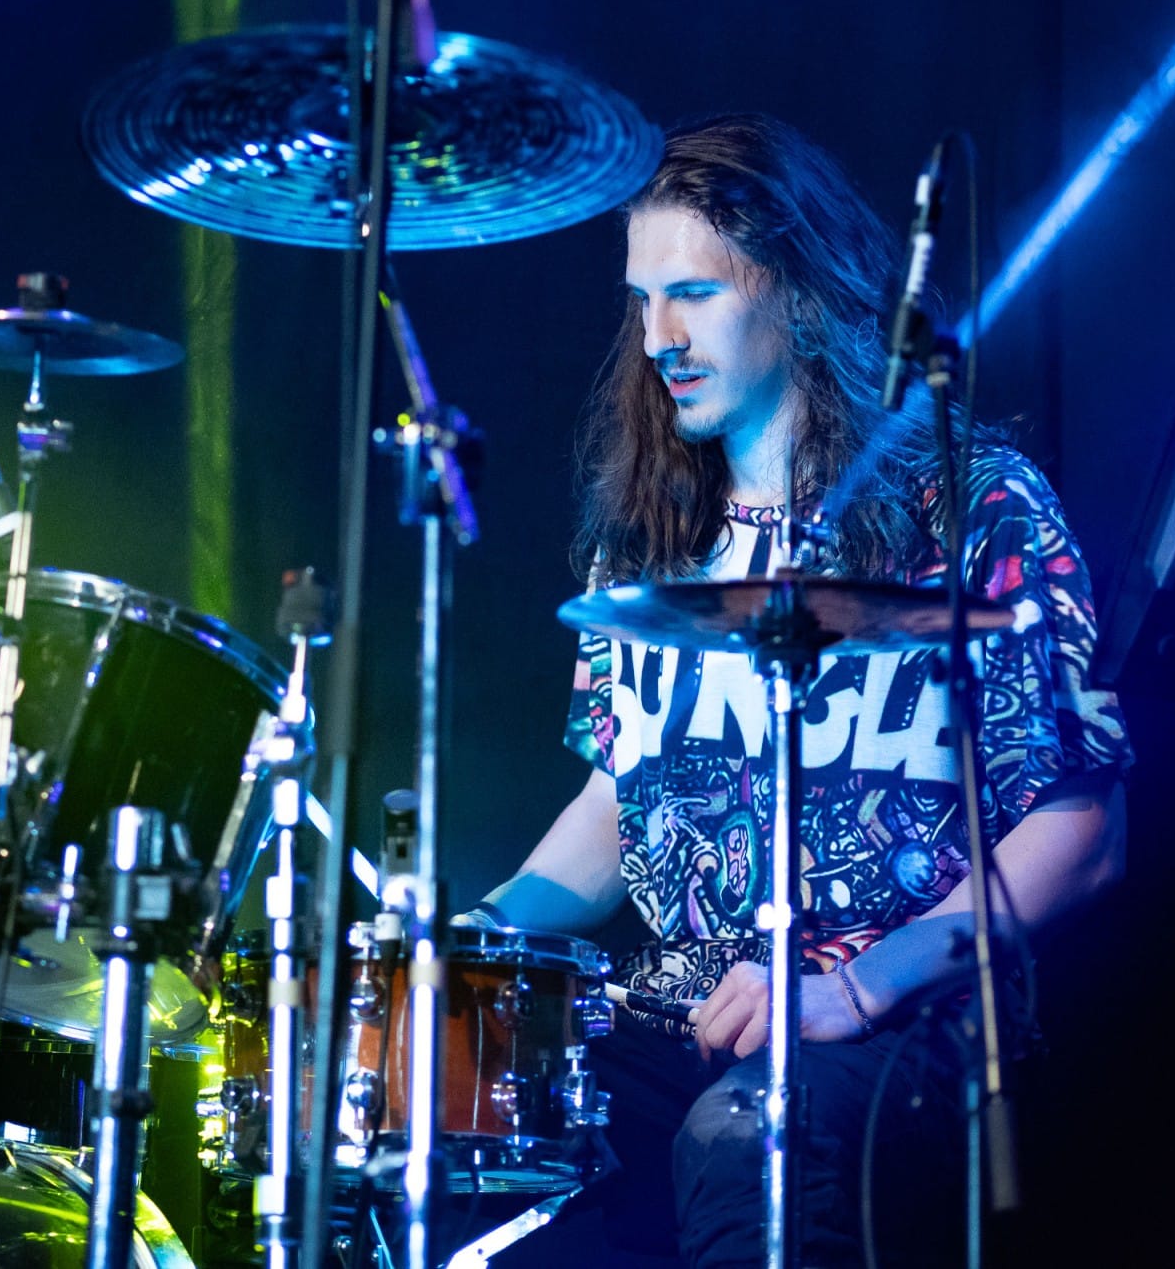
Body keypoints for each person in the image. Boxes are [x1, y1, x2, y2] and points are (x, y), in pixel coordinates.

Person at [464, 114, 1132, 1267]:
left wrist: (855, 988)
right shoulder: (647, 536)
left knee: (748, 1139)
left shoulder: (976, 506)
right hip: (678, 1012)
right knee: (465, 1127)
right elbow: (623, 798)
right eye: (640, 301)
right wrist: (478, 933)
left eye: (691, 294)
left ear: (796, 290)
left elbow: (1083, 828)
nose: (657, 338)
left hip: (901, 1018)